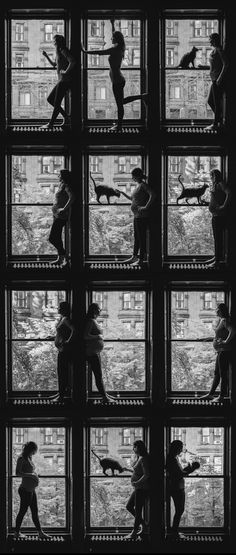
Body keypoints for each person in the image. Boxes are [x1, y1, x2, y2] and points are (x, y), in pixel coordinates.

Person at [81, 19, 147, 132]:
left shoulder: (114, 49)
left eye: (112, 37)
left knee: (120, 104)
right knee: (121, 102)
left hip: (117, 80)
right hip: (118, 79)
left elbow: (100, 52)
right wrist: (112, 24)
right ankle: (142, 97)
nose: (110, 38)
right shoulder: (120, 47)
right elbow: (115, 35)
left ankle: (120, 125)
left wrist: (85, 51)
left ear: (116, 39)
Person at [199, 303, 236, 402]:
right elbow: (220, 335)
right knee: (217, 373)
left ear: (222, 310)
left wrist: (226, 342)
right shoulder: (221, 320)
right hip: (221, 351)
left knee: (223, 374)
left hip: (225, 351)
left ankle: (221, 397)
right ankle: (210, 394)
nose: (216, 311)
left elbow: (233, 331)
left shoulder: (224, 320)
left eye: (217, 310)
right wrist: (209, 339)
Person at [15, 442, 50, 540]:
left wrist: (35, 474)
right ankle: (17, 533)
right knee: (22, 511)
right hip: (25, 489)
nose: (34, 452)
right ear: (30, 449)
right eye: (34, 450)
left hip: (31, 489)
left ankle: (40, 533)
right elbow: (17, 473)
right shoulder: (21, 458)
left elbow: (30, 470)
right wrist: (31, 475)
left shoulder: (29, 458)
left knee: (35, 511)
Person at [166, 440, 200, 540]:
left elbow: (179, 472)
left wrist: (188, 468)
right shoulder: (172, 459)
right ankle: (174, 532)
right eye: (180, 447)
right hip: (177, 487)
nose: (181, 449)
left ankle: (174, 531)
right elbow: (179, 474)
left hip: (176, 486)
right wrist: (192, 468)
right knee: (180, 509)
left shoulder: (172, 458)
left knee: (179, 510)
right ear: (176, 448)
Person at [41, 34, 76, 129]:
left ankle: (51, 124)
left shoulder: (63, 50)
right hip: (61, 80)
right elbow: (54, 64)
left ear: (59, 42)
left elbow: (73, 61)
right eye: (54, 41)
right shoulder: (58, 52)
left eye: (55, 41)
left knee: (56, 103)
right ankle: (66, 117)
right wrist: (46, 56)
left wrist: (65, 72)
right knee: (50, 99)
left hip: (65, 81)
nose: (54, 42)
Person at [123, 168, 156, 266]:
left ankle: (141, 259)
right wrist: (122, 193)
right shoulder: (138, 186)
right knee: (136, 237)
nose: (132, 178)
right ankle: (134, 257)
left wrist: (146, 207)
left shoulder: (143, 185)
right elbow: (132, 199)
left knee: (141, 238)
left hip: (142, 216)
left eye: (133, 176)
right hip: (137, 215)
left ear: (137, 176)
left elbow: (153, 195)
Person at [84, 303, 115, 403]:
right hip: (91, 353)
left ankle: (105, 396)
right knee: (98, 375)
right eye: (98, 309)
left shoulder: (93, 321)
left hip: (94, 352)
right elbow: (85, 336)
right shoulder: (90, 321)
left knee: (99, 375)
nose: (99, 311)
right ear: (93, 310)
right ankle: (104, 398)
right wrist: (98, 337)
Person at [205, 169, 231, 269]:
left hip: (220, 216)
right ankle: (216, 257)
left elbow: (229, 193)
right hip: (216, 215)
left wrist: (224, 206)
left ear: (216, 176)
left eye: (212, 175)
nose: (211, 177)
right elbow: (216, 198)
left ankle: (217, 262)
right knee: (216, 238)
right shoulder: (216, 185)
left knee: (219, 239)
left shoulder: (221, 183)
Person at [49, 169, 75, 266]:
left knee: (52, 238)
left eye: (59, 175)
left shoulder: (67, 186)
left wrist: (64, 208)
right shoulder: (61, 185)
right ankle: (60, 259)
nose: (58, 177)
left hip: (61, 216)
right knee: (58, 237)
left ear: (63, 176)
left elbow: (73, 197)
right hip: (56, 215)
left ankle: (64, 256)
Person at [125, 440, 150, 540]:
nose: (133, 449)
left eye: (134, 447)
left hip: (142, 488)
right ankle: (144, 525)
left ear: (138, 447)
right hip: (139, 488)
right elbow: (138, 472)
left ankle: (134, 533)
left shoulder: (144, 459)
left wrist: (137, 483)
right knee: (130, 506)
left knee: (136, 509)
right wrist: (127, 470)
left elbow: (147, 474)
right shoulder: (140, 458)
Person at [204, 33, 228, 131]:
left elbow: (226, 64)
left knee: (216, 102)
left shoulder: (219, 50)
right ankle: (220, 120)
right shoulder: (214, 50)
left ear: (214, 40)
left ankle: (216, 124)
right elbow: (214, 65)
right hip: (214, 79)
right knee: (210, 101)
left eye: (210, 39)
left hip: (218, 81)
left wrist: (219, 79)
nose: (209, 41)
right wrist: (203, 67)